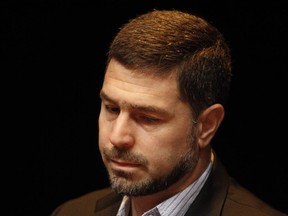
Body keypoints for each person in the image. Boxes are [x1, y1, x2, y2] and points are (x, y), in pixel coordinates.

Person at [51, 9, 287, 216]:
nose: (117, 137)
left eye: (147, 118)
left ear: (206, 126)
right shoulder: (71, 211)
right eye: (112, 109)